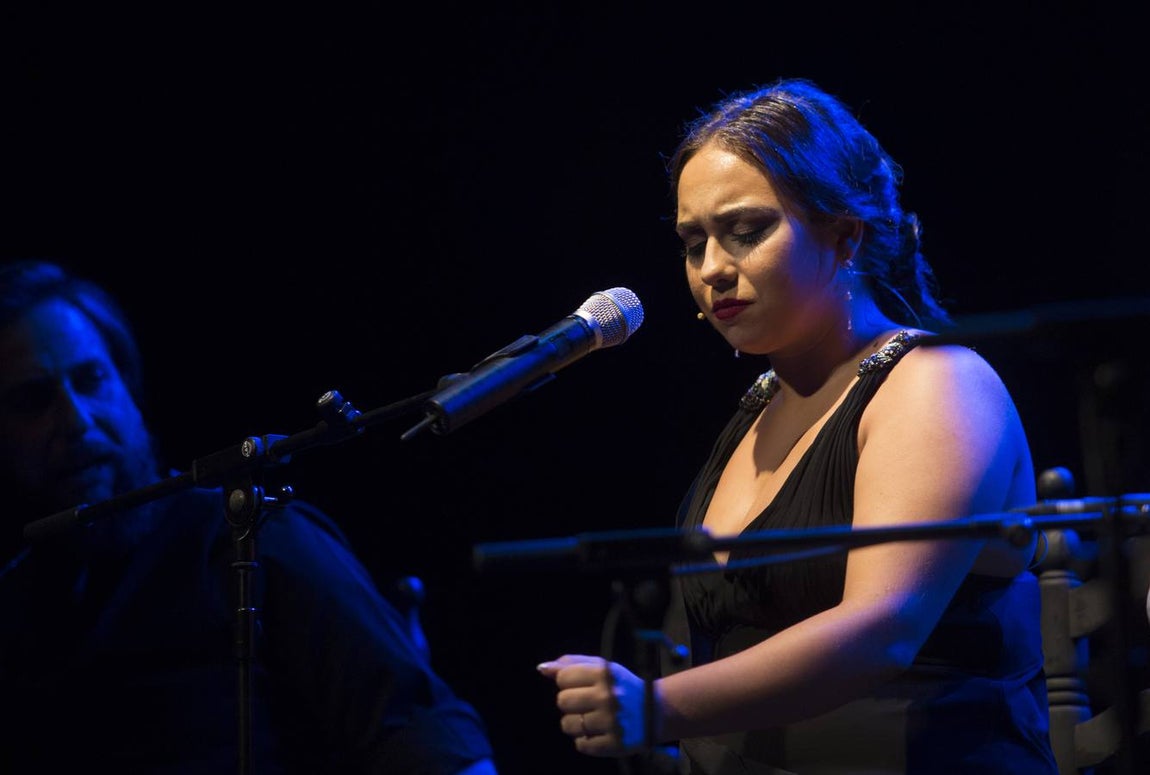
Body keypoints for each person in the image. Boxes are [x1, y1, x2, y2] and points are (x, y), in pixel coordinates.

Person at [537, 78, 1059, 773]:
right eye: (694, 243)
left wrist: (658, 707)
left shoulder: (936, 383)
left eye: (747, 231)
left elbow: (884, 628)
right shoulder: (759, 406)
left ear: (843, 236)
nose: (713, 268)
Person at [0, 258, 498, 774]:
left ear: (129, 389)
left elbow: (433, 744)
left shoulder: (251, 535)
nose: (77, 421)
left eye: (91, 379)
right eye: (33, 400)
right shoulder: (21, 603)